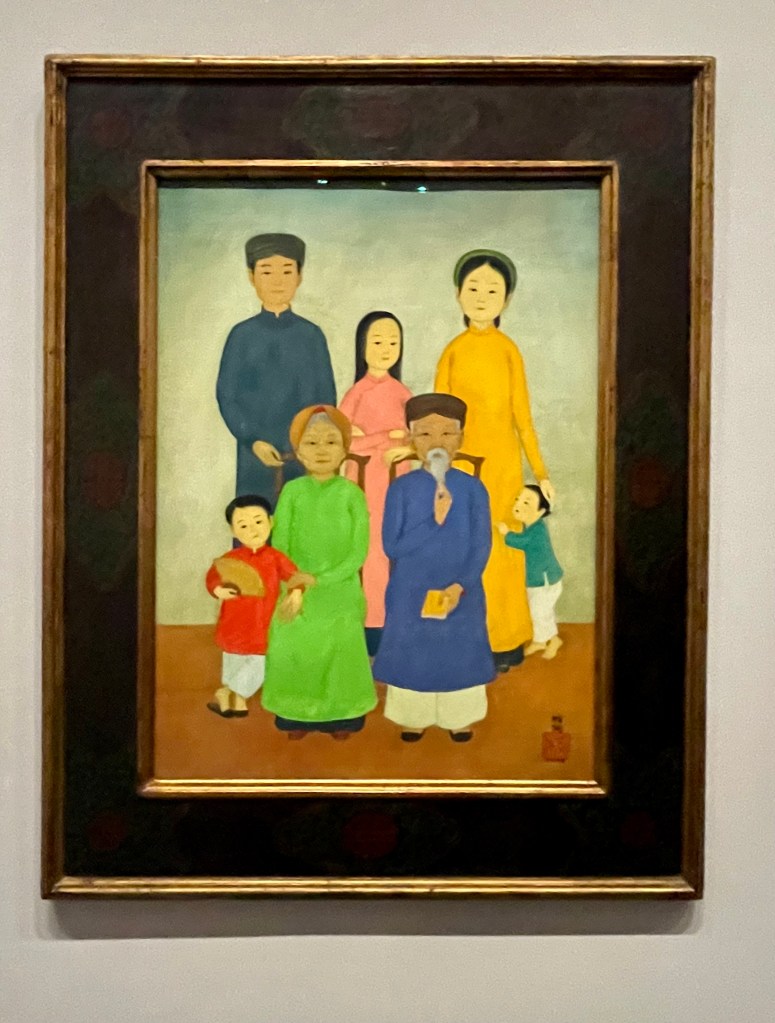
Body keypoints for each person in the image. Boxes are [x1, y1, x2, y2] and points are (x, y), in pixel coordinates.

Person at [435, 249, 555, 673]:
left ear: (507, 299)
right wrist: (438, 472)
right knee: (462, 548)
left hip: (503, 468)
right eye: (473, 288)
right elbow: (439, 420)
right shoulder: (453, 352)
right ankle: (462, 639)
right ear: (458, 293)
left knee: (503, 552)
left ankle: (504, 641)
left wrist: (540, 473)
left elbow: (523, 417)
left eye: (492, 290)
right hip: (461, 468)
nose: (482, 297)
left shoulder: (508, 351)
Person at [372, 393, 496, 742]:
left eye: (447, 433)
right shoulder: (401, 489)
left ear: (461, 439)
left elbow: (482, 545)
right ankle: (413, 717)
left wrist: (460, 585)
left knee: (460, 648)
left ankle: (460, 717)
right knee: (413, 650)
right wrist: (433, 520)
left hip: (461, 588)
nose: (436, 442)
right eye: (425, 434)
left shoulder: (473, 489)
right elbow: (392, 547)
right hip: (411, 589)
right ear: (411, 440)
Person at [260, 405, 377, 738]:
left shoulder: (352, 494)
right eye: (312, 443)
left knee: (341, 638)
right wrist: (297, 583)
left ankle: (342, 715)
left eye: (331, 442)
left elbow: (358, 552)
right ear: (298, 452)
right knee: (292, 637)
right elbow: (281, 544)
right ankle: (297, 714)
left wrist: (322, 579)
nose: (322, 450)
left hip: (340, 589)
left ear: (344, 450)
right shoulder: (293, 492)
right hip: (297, 586)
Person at [216, 232, 337, 503]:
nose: (278, 281)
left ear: (299, 276)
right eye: (267, 271)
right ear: (252, 277)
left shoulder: (311, 335)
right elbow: (227, 396)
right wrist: (252, 440)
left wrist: (312, 443)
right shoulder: (242, 335)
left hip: (305, 453)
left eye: (287, 271)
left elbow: (326, 398)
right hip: (255, 454)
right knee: (255, 518)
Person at [338, 311, 413, 655]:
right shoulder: (357, 392)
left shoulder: (402, 393)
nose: (385, 349)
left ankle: (397, 625)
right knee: (368, 554)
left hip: (398, 486)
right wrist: (384, 438)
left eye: (393, 342)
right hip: (364, 486)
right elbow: (345, 441)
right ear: (362, 346)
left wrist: (393, 443)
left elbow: (412, 439)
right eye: (377, 341)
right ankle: (369, 627)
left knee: (396, 550)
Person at [204, 495, 299, 718]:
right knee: (233, 663)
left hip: (262, 623)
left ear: (271, 522)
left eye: (258, 521)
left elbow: (294, 576)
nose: (252, 530)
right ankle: (238, 702)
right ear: (233, 530)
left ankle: (226, 693)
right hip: (234, 622)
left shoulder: (276, 558)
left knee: (258, 664)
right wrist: (218, 589)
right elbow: (213, 578)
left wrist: (296, 591)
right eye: (243, 525)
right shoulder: (230, 558)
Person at [497, 485, 564, 659]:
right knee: (542, 612)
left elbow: (523, 542)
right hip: (539, 580)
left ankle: (549, 640)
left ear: (541, 511)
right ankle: (544, 640)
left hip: (545, 581)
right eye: (517, 499)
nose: (518, 504)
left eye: (526, 502)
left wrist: (506, 533)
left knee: (540, 612)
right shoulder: (531, 526)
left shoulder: (537, 530)